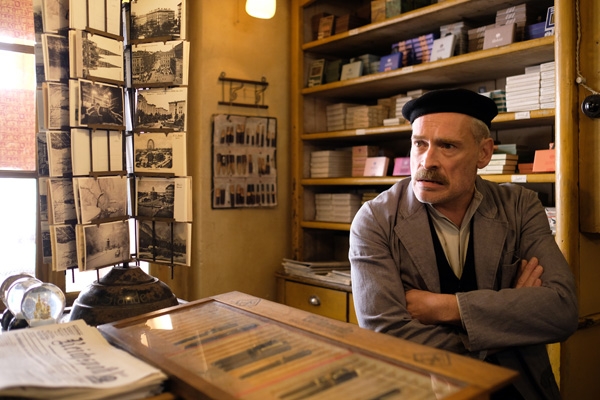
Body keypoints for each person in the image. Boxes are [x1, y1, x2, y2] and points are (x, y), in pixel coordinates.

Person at [349, 88, 578, 399]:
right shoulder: (376, 219)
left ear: (484, 153)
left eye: (447, 146)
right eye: (420, 144)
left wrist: (444, 307)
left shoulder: (519, 206)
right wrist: (507, 321)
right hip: (423, 390)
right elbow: (386, 335)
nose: (427, 161)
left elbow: (561, 310)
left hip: (518, 388)